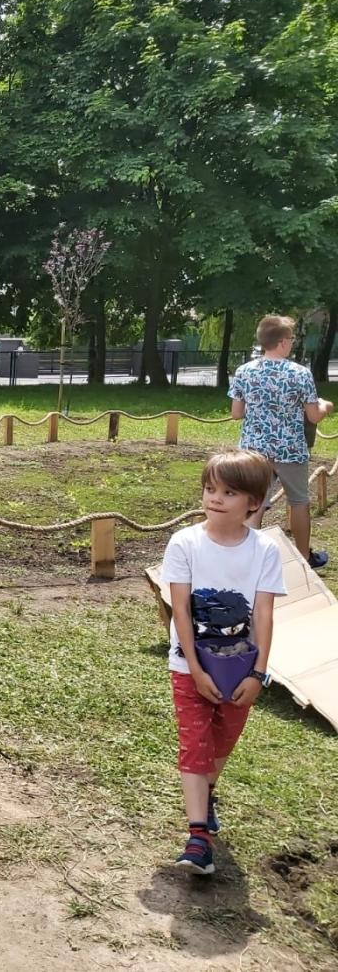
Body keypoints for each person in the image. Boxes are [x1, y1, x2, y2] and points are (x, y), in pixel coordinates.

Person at [160, 449, 282, 875]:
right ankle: (198, 838)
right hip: (188, 666)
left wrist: (258, 672)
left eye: (229, 492)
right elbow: (180, 610)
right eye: (210, 488)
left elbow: (264, 613)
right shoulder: (184, 542)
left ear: (253, 502)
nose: (215, 498)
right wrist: (192, 666)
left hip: (240, 668)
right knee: (195, 744)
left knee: (222, 743)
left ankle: (207, 795)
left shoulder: (264, 550)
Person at [228, 314, 334, 567]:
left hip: (255, 450)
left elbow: (236, 413)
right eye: (291, 339)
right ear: (283, 342)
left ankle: (244, 557)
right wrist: (326, 406)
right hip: (290, 449)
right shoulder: (300, 374)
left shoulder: (244, 371)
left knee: (255, 504)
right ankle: (303, 558)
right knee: (298, 502)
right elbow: (313, 415)